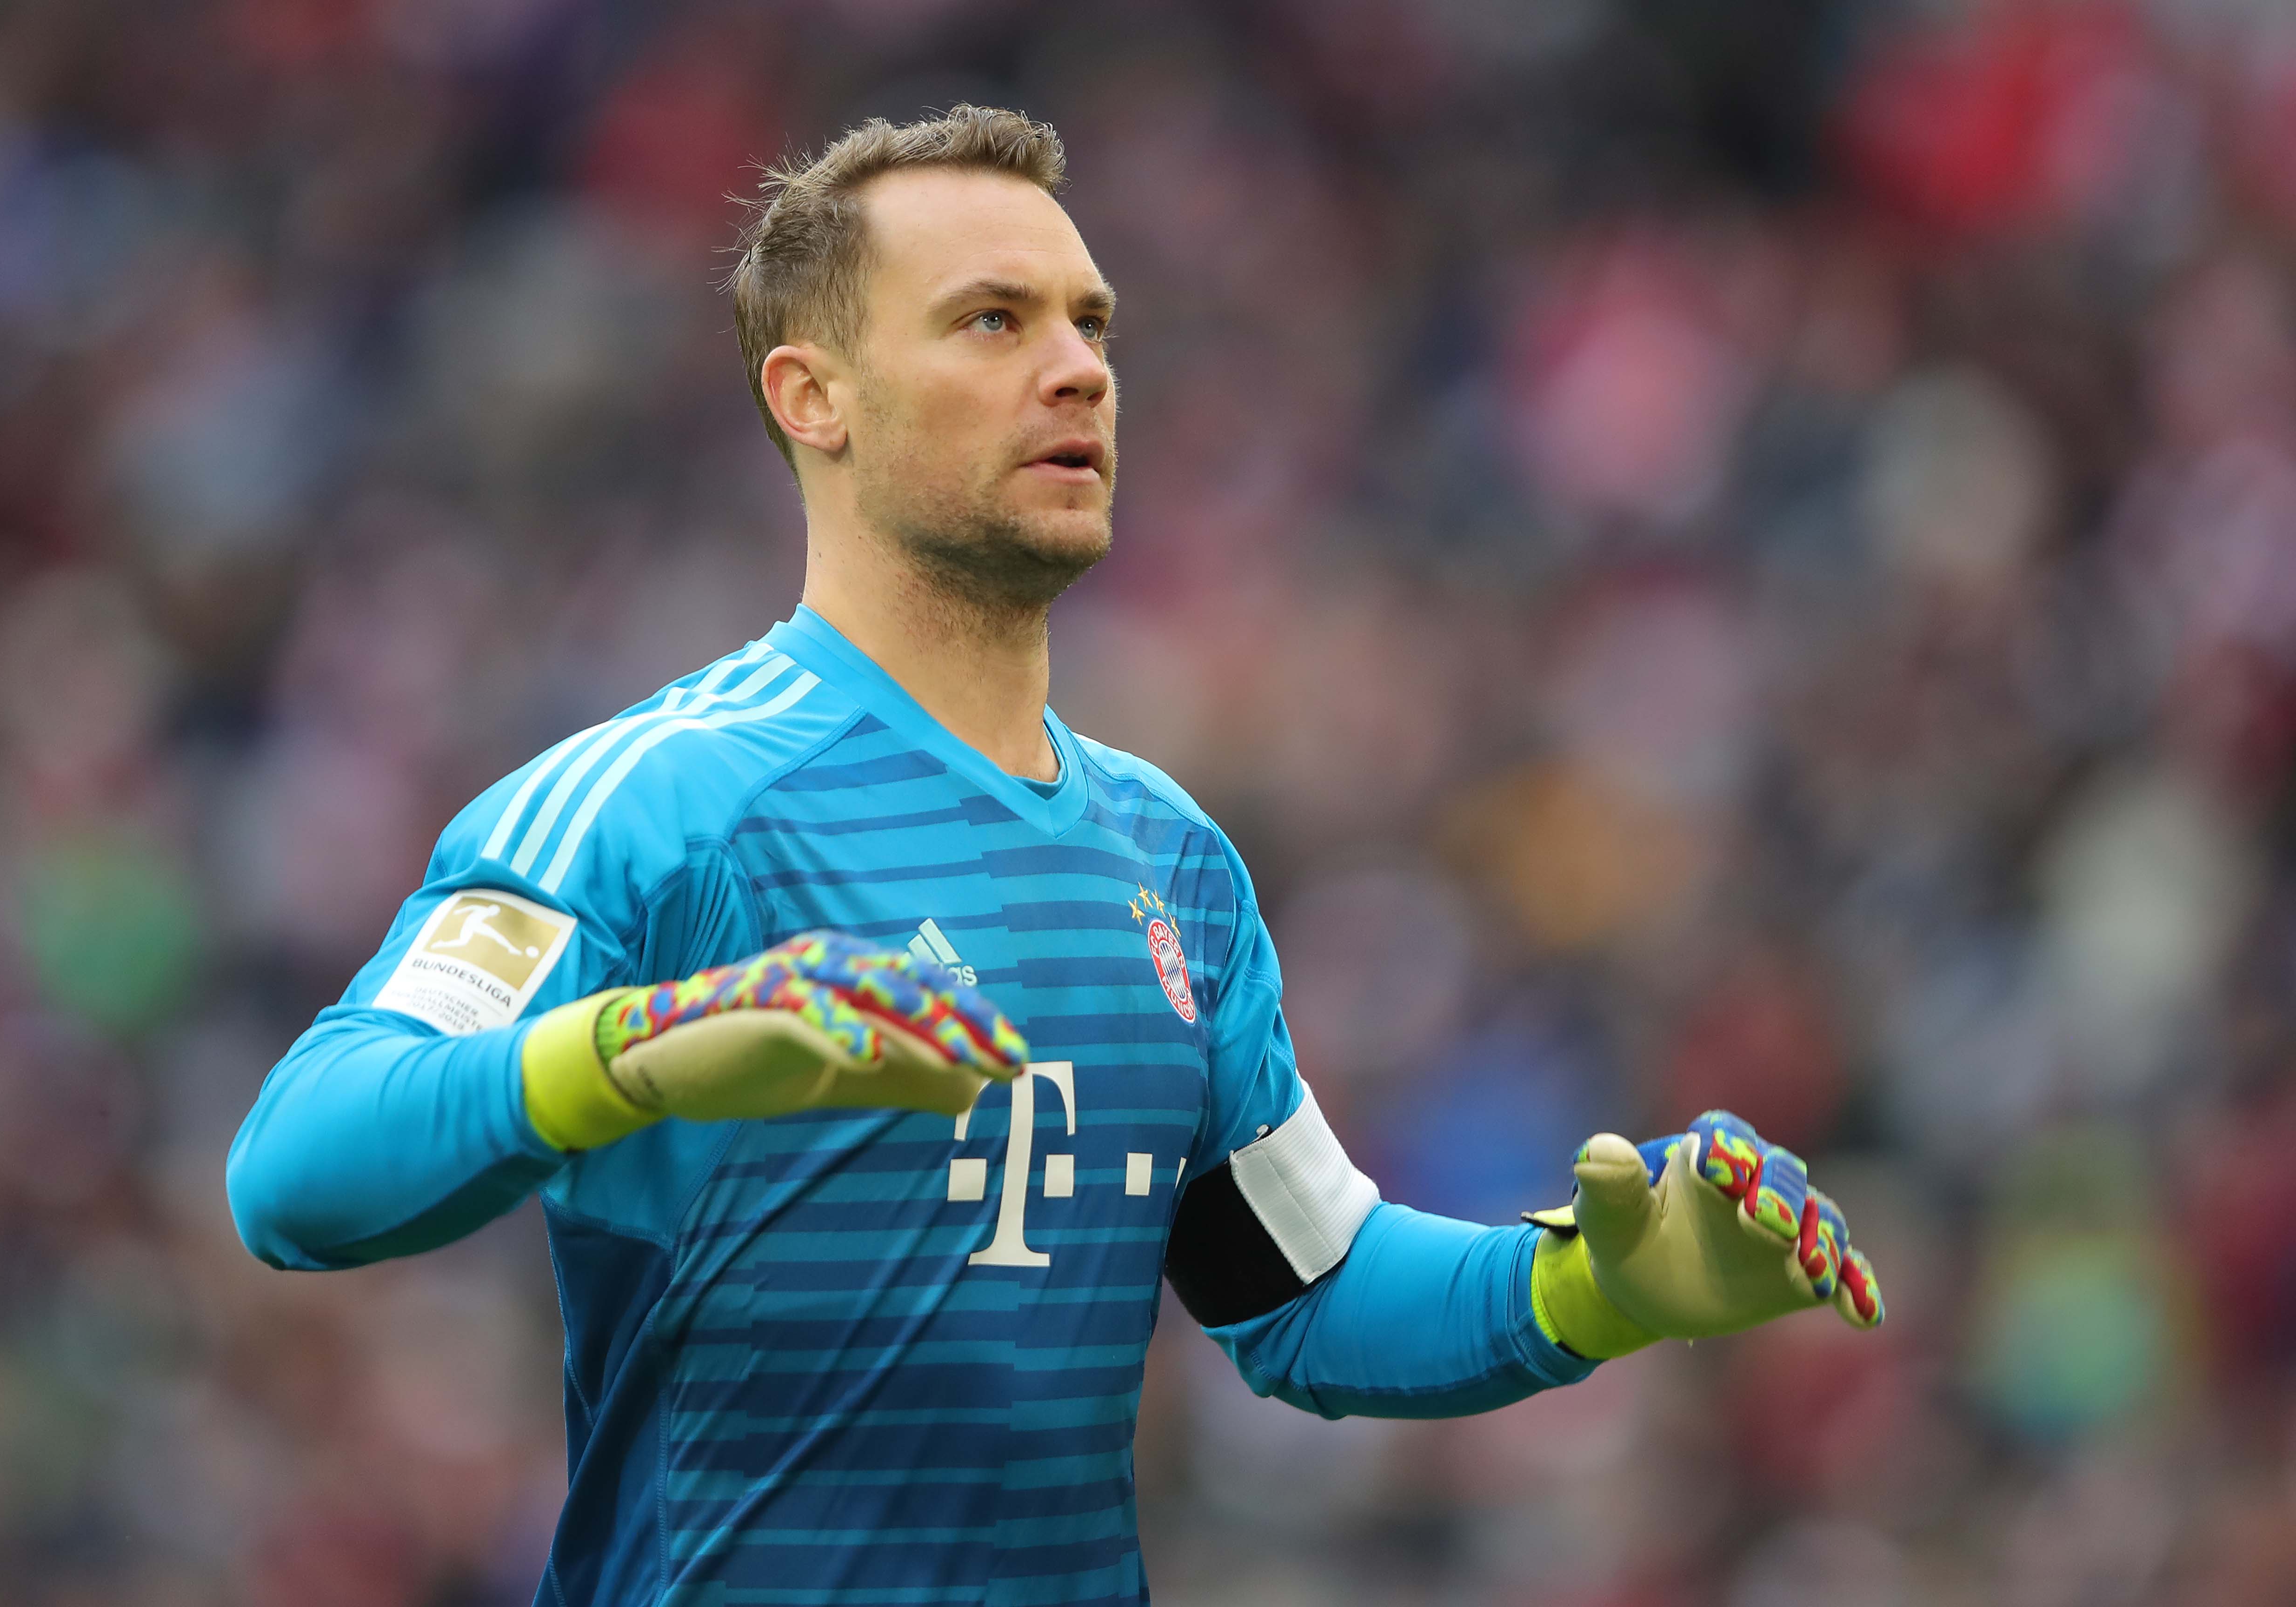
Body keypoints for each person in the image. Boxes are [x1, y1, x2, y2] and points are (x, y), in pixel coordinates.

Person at [226, 106, 1883, 1607]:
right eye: (993, 323)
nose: (1079, 368)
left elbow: (1308, 1294)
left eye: (1092, 323)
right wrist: (634, 1058)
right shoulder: (656, 807)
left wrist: (1600, 1289)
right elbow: (297, 1169)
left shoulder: (1173, 864)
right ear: (815, 400)